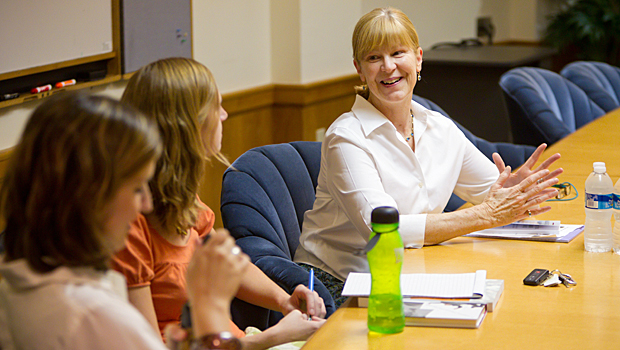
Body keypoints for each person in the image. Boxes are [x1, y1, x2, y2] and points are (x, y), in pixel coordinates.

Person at [294, 7, 563, 307]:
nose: (388, 67)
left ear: (418, 58)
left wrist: (515, 190)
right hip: (339, 284)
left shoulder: (439, 128)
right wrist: (484, 214)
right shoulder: (346, 138)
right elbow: (384, 230)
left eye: (398, 53)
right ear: (359, 68)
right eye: (374, 58)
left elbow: (493, 196)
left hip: (416, 271)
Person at [0, 92, 250, 349]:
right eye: (136, 188)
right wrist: (211, 306)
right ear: (92, 196)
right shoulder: (94, 318)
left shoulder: (14, 284)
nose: (146, 204)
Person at [112, 57, 326, 350]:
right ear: (190, 126)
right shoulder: (129, 225)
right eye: (217, 108)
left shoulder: (182, 196)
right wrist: (272, 337)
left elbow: (231, 267)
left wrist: (284, 300)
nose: (224, 116)